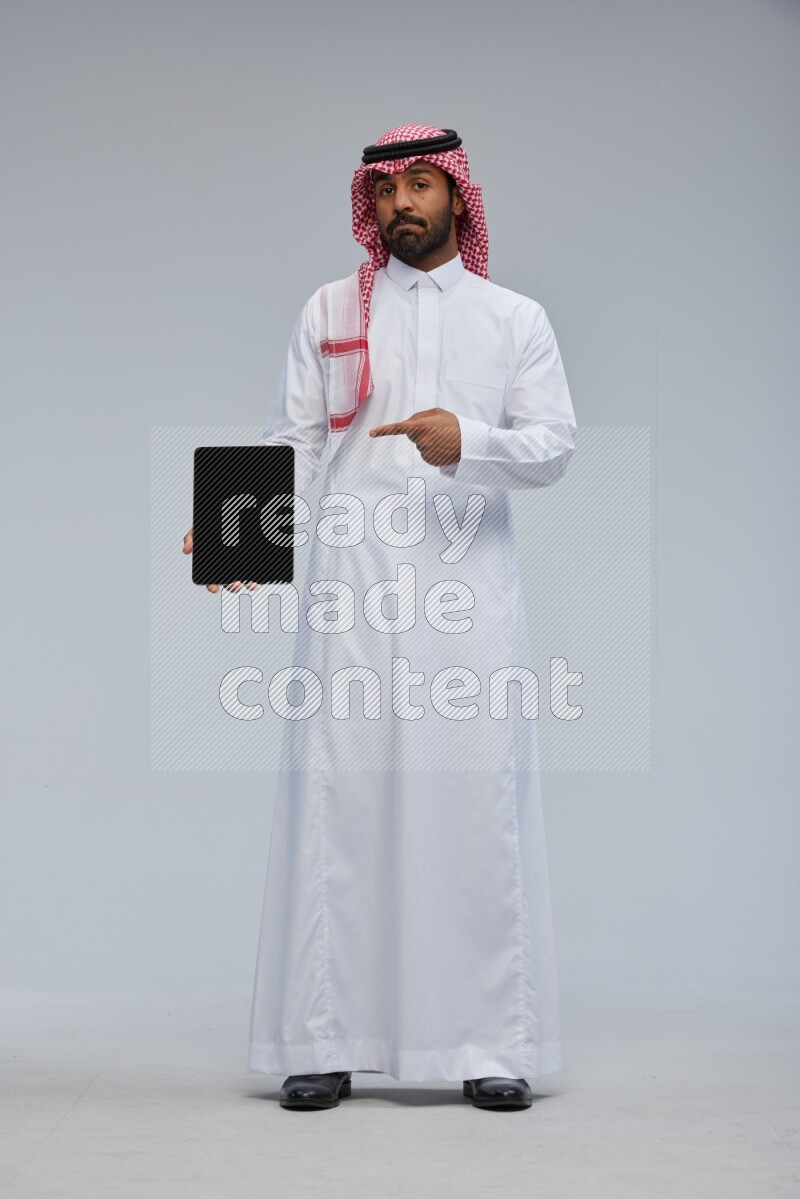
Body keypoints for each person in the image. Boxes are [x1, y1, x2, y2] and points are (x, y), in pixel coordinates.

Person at [183, 124, 577, 1111]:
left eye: (419, 185)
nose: (403, 204)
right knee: (338, 806)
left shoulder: (512, 318)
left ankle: (489, 1041)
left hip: (466, 607)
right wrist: (234, 534)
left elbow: (551, 446)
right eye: (386, 189)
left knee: (469, 806)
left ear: (454, 196)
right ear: (369, 202)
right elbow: (294, 440)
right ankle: (324, 1039)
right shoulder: (328, 308)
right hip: (350, 594)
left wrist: (465, 438)